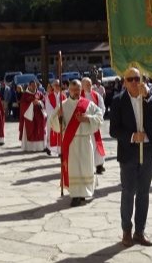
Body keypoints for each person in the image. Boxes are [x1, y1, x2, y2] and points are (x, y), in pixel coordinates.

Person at [109, 68, 152, 248]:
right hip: (128, 152)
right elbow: (113, 130)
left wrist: (149, 96)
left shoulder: (148, 96)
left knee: (143, 192)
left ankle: (139, 231)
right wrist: (133, 136)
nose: (134, 82)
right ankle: (126, 230)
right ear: (124, 82)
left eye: (137, 78)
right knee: (128, 192)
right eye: (130, 79)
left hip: (148, 151)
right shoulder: (118, 101)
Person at [50, 79, 104, 207]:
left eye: (78, 90)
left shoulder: (88, 104)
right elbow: (54, 124)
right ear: (69, 90)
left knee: (85, 168)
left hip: (85, 141)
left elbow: (99, 116)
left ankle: (84, 192)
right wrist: (59, 117)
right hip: (71, 142)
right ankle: (75, 196)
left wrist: (87, 118)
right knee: (74, 169)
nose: (76, 92)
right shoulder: (63, 105)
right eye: (73, 90)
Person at [81, 78, 107, 174]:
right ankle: (86, 165)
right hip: (83, 125)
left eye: (90, 84)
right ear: (82, 86)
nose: (89, 86)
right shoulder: (79, 96)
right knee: (86, 145)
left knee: (97, 144)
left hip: (94, 124)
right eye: (87, 84)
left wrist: (96, 118)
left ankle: (99, 165)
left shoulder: (96, 95)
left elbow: (102, 108)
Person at [19, 81, 46, 152]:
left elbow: (43, 100)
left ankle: (40, 147)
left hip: (39, 115)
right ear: (29, 86)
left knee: (39, 131)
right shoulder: (25, 95)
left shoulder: (39, 93)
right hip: (29, 116)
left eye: (35, 86)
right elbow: (22, 105)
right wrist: (31, 104)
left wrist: (39, 102)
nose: (34, 87)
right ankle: (30, 147)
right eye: (33, 86)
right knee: (31, 130)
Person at [45, 80, 66, 156]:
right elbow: (48, 108)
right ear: (53, 87)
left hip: (61, 118)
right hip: (52, 118)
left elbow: (66, 107)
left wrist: (62, 114)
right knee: (51, 134)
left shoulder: (63, 96)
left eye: (58, 85)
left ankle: (60, 151)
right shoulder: (49, 96)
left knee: (61, 135)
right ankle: (49, 148)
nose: (57, 87)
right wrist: (55, 114)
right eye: (55, 85)